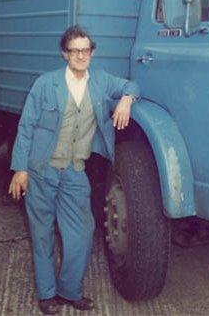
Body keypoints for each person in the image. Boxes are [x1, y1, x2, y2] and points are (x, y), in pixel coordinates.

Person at [8, 26, 139, 314]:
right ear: (65, 54)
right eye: (74, 50)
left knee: (82, 232)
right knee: (41, 233)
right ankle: (47, 294)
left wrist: (126, 101)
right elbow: (26, 126)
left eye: (86, 49)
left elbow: (132, 85)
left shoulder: (101, 81)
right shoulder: (45, 84)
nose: (81, 55)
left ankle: (69, 290)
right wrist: (20, 169)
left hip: (75, 171)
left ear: (92, 52)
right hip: (41, 169)